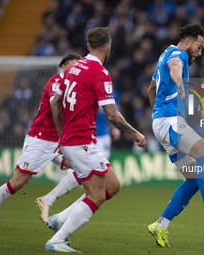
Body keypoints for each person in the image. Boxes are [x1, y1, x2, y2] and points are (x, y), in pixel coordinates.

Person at [45, 27, 146, 253]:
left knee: (113, 186)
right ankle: (57, 239)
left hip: (75, 140)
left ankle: (59, 219)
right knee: (96, 195)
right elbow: (112, 115)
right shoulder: (100, 72)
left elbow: (54, 102)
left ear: (88, 46)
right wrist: (136, 133)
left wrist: (61, 134)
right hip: (81, 142)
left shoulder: (72, 68)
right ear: (108, 48)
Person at [146, 24, 204, 248]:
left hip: (162, 122)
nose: (200, 52)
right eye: (200, 46)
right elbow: (176, 67)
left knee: (195, 179)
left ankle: (160, 225)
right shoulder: (178, 54)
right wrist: (178, 82)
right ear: (189, 40)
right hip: (170, 121)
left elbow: (150, 90)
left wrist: (157, 118)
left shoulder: (163, 54)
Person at [0, 53, 82, 234]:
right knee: (18, 182)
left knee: (84, 168)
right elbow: (57, 103)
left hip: (59, 141)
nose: (75, 70)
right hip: (41, 139)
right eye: (72, 66)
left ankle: (47, 200)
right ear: (63, 67)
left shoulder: (75, 87)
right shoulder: (55, 82)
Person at [35, 91, 121, 223]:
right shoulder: (83, 89)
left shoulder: (108, 92)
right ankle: (54, 200)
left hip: (102, 136)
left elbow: (111, 112)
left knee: (98, 174)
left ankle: (84, 199)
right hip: (86, 137)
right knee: (91, 172)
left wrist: (114, 129)